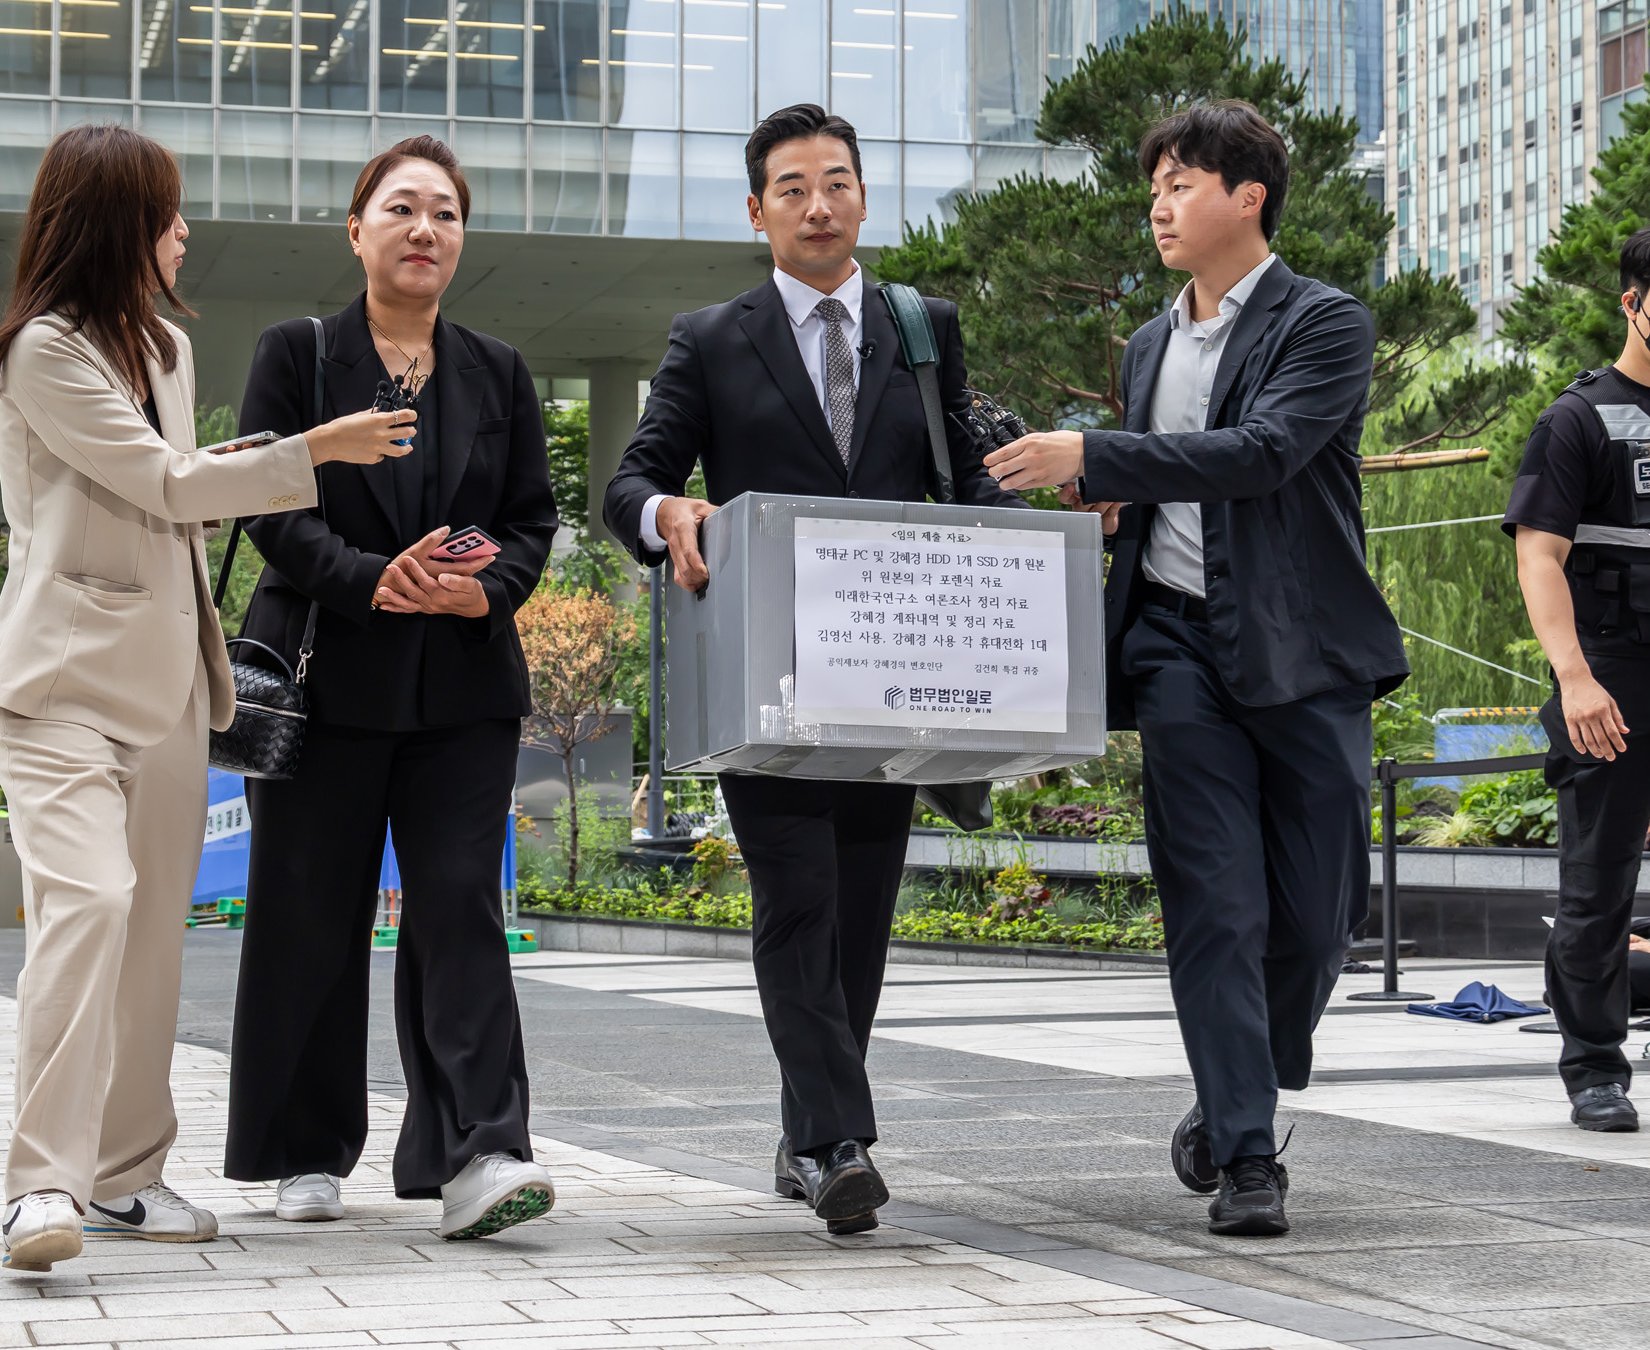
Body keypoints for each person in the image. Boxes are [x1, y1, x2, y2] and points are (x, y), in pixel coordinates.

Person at [0, 124, 417, 1272]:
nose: (183, 234)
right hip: (60, 686)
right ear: (119, 222)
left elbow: (173, 499)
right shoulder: (45, 350)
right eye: (167, 214)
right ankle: (42, 1187)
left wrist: (244, 461)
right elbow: (162, 481)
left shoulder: (163, 350)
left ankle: (123, 1179)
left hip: (171, 689)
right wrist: (312, 451)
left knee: (150, 945)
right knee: (90, 908)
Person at [984, 100, 1408, 1236]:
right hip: (1174, 644)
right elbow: (1173, 475)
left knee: (1318, 923)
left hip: (1303, 650)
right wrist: (1107, 490)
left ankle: (1238, 1092)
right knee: (1213, 910)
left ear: (1246, 195)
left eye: (1179, 183)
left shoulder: (1324, 323)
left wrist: (1099, 451)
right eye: (1154, 188)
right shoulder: (1146, 341)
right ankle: (1246, 1152)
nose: (1159, 207)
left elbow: (1263, 454)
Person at [601, 104, 1025, 1236]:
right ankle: (840, 1141)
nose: (817, 202)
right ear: (756, 212)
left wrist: (1041, 512)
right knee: (797, 900)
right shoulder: (709, 337)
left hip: (891, 676)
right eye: (791, 187)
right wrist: (664, 512)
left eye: (835, 181)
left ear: (863, 199)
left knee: (861, 918)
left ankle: (805, 1138)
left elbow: (961, 480)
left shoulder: (918, 326)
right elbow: (630, 480)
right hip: (769, 674)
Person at [223, 135, 560, 1241]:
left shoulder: (497, 368)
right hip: (325, 678)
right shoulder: (299, 353)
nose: (426, 231)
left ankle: (479, 1150)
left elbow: (528, 518)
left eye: (447, 214)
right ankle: (303, 1150)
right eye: (403, 210)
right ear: (356, 229)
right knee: (308, 913)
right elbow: (267, 505)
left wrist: (485, 590)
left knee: (459, 904)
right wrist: (377, 579)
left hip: (462, 686)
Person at [1505, 225, 1650, 1134]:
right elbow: (1540, 557)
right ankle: (1594, 1065)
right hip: (1613, 672)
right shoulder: (1580, 419)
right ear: (1634, 304)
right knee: (1598, 882)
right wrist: (1575, 679)